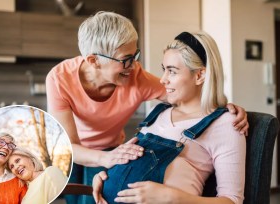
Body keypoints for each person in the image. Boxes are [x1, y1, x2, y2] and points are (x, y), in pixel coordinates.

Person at [45, 11, 248, 204]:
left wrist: (224, 107)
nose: (133, 66)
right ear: (93, 61)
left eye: (135, 56)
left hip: (111, 148)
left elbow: (191, 98)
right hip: (73, 149)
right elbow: (69, 146)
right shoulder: (60, 78)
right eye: (126, 60)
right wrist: (105, 167)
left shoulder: (137, 78)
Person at [93, 31, 246, 204]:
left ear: (200, 75)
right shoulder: (158, 113)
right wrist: (107, 176)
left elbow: (233, 201)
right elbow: (128, 160)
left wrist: (171, 197)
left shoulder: (226, 124)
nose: (163, 80)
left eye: (172, 71)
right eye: (164, 70)